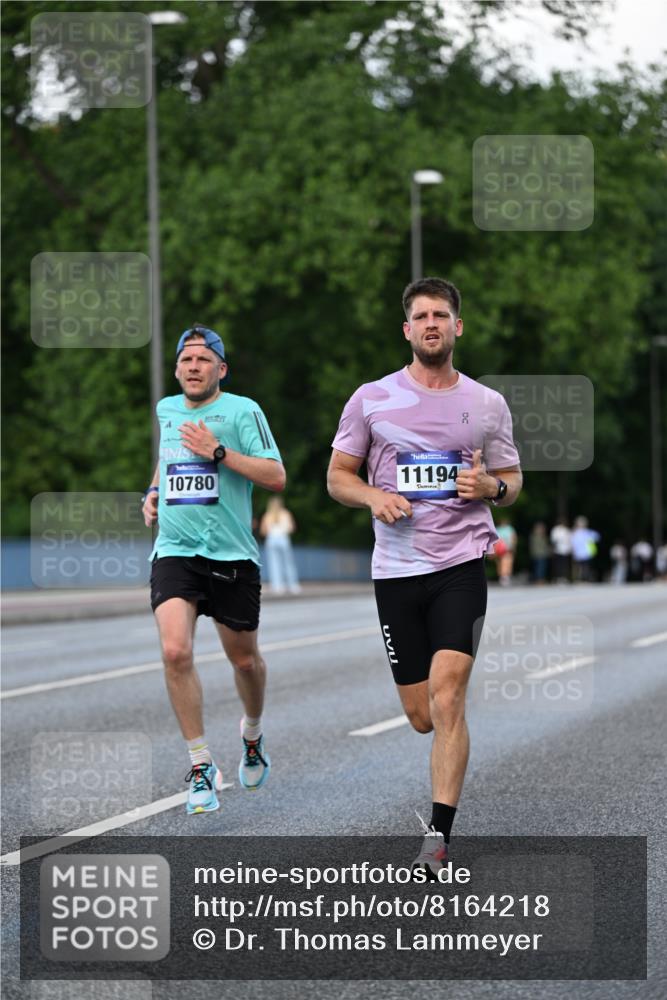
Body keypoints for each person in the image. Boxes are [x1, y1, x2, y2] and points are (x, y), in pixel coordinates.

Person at [327, 277, 522, 874]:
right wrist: (371, 498)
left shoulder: (487, 403)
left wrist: (491, 487)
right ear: (407, 329)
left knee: (448, 696)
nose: (432, 323)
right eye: (421, 316)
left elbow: (512, 483)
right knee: (419, 714)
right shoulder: (371, 399)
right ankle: (440, 748)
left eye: (442, 314)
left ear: (457, 327)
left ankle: (437, 838)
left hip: (461, 565)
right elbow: (338, 477)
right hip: (396, 570)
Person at [142, 325, 286, 814]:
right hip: (175, 549)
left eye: (204, 360)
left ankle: (252, 732)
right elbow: (169, 463)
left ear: (220, 369)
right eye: (186, 360)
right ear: (177, 368)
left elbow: (276, 476)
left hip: (231, 556)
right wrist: (153, 493)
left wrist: (219, 452)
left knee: (244, 661)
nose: (193, 367)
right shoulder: (166, 410)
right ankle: (201, 763)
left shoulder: (243, 411)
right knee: (175, 650)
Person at [260, 496, 301, 594]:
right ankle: (293, 585)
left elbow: (263, 531)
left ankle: (277, 586)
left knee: (274, 564)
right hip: (283, 538)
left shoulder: (267, 515)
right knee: (288, 563)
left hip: (271, 540)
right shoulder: (286, 513)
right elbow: (292, 528)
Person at [571, 516, 600, 582]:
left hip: (587, 553)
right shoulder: (575, 533)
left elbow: (597, 537)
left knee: (586, 566)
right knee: (579, 567)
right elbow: (573, 543)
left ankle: (585, 578)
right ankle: (579, 578)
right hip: (578, 553)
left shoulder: (588, 532)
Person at [495, 518, 517, 586]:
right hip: (500, 548)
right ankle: (503, 576)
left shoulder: (509, 528)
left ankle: (505, 576)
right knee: (502, 563)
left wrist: (513, 546)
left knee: (507, 562)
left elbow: (513, 538)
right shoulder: (499, 529)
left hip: (507, 548)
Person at [550, 518, 572, 583]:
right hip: (558, 550)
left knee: (564, 565)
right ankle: (558, 577)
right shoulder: (556, 530)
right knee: (558, 565)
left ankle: (564, 577)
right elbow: (553, 539)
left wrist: (570, 548)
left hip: (565, 550)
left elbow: (569, 540)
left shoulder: (567, 530)